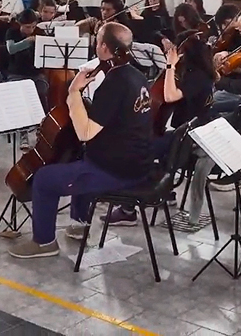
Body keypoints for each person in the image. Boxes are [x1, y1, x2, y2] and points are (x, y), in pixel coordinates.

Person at [8, 22, 153, 259]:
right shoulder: (138, 76)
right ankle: (79, 224)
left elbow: (86, 132)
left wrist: (74, 92)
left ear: (105, 48)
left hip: (117, 171)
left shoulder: (114, 83)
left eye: (97, 41)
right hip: (140, 163)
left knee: (44, 179)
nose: (96, 45)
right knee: (83, 155)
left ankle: (44, 243)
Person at [104, 29, 215, 226]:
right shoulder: (201, 72)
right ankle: (167, 191)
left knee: (136, 150)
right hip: (187, 134)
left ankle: (129, 208)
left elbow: (170, 96)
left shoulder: (196, 76)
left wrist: (170, 66)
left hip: (188, 140)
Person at [5, 9, 50, 110]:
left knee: (42, 90)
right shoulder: (12, 32)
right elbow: (11, 49)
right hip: (17, 72)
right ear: (20, 24)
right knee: (21, 93)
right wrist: (27, 41)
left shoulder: (40, 32)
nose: (31, 30)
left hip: (35, 73)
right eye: (27, 27)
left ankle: (43, 118)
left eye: (33, 27)